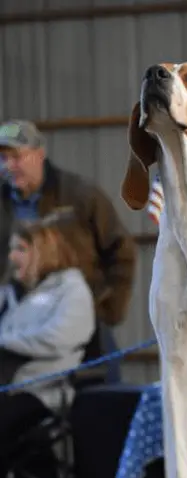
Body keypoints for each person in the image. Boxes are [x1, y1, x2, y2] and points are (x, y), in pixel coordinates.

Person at [0, 119, 136, 381]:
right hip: (21, 322)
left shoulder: (80, 195)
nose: (8, 166)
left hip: (77, 316)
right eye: (3, 159)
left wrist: (107, 310)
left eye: (16, 157)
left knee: (99, 392)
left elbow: (121, 251)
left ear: (39, 154)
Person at [0, 217, 96, 478]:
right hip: (13, 388)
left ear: (44, 251)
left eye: (21, 249)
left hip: (44, 391)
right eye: (12, 249)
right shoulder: (24, 294)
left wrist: (7, 339)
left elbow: (58, 338)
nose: (13, 257)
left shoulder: (72, 289)